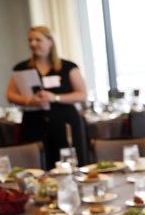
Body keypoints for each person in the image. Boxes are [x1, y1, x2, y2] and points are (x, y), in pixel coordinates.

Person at [6, 25, 88, 167]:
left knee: (69, 163)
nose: (33, 44)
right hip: (34, 122)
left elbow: (82, 94)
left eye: (38, 40)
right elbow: (10, 95)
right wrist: (29, 101)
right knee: (37, 164)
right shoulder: (21, 68)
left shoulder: (67, 67)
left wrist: (55, 97)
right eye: (30, 40)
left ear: (50, 42)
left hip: (64, 121)